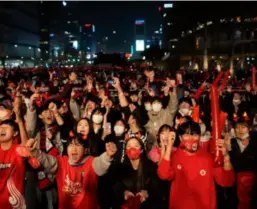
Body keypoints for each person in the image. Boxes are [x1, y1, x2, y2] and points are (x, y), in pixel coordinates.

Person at [25, 134, 117, 209]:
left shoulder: (91, 162)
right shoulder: (61, 162)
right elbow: (47, 160)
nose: (74, 148)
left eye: (77, 145)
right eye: (71, 145)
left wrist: (108, 156)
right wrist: (35, 152)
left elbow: (100, 166)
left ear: (85, 150)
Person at [158, 121, 235, 209]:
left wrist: (226, 156)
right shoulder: (175, 156)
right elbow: (163, 175)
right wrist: (168, 148)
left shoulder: (208, 157)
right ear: (180, 138)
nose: (191, 138)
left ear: (199, 137)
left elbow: (227, 181)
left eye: (194, 135)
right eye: (186, 135)